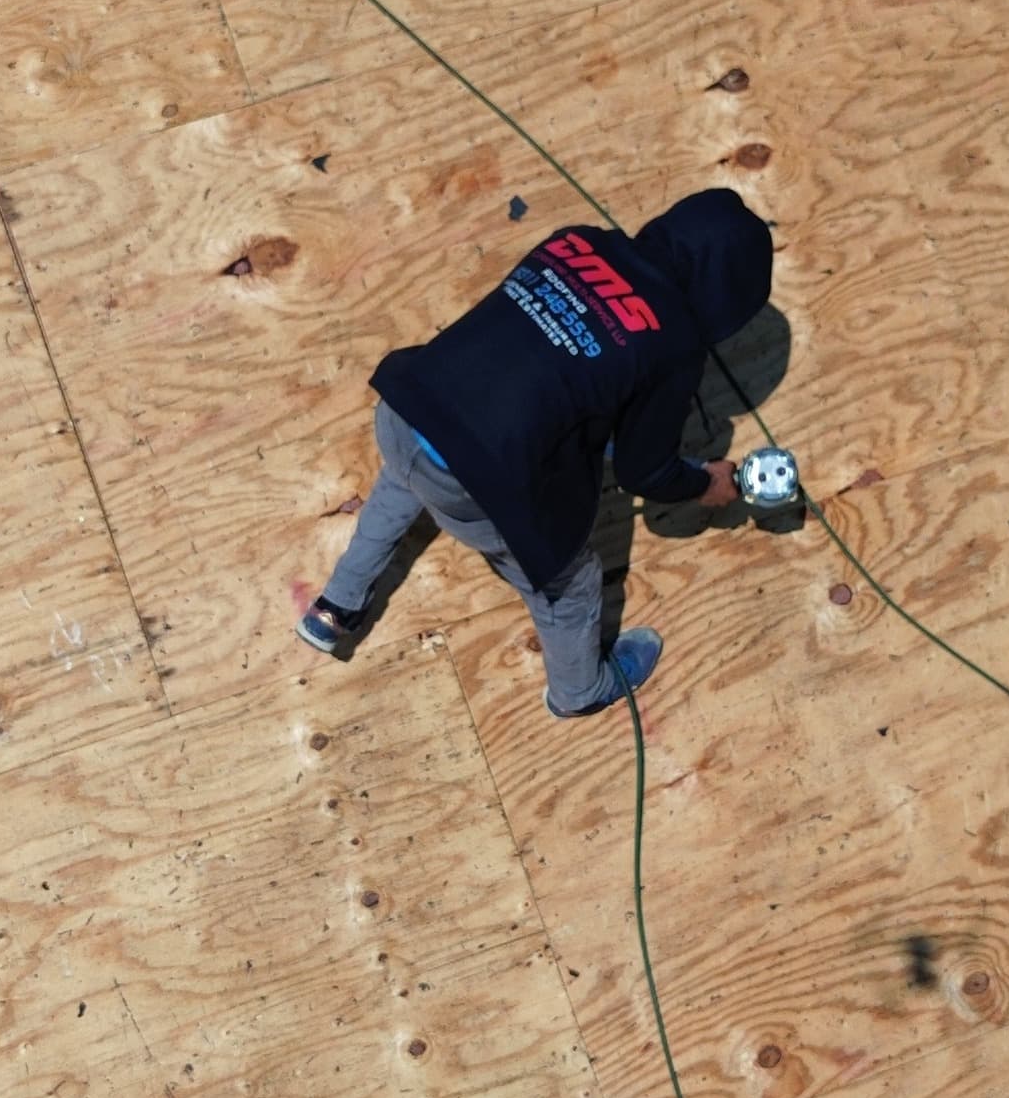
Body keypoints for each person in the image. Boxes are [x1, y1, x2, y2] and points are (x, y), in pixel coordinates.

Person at [297, 187, 774, 718]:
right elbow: (646, 471)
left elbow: (558, 353)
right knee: (572, 585)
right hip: (476, 481)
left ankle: (334, 607)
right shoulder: (675, 342)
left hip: (408, 406)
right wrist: (705, 484)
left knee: (404, 479)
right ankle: (579, 692)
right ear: (724, 299)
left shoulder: (579, 242)